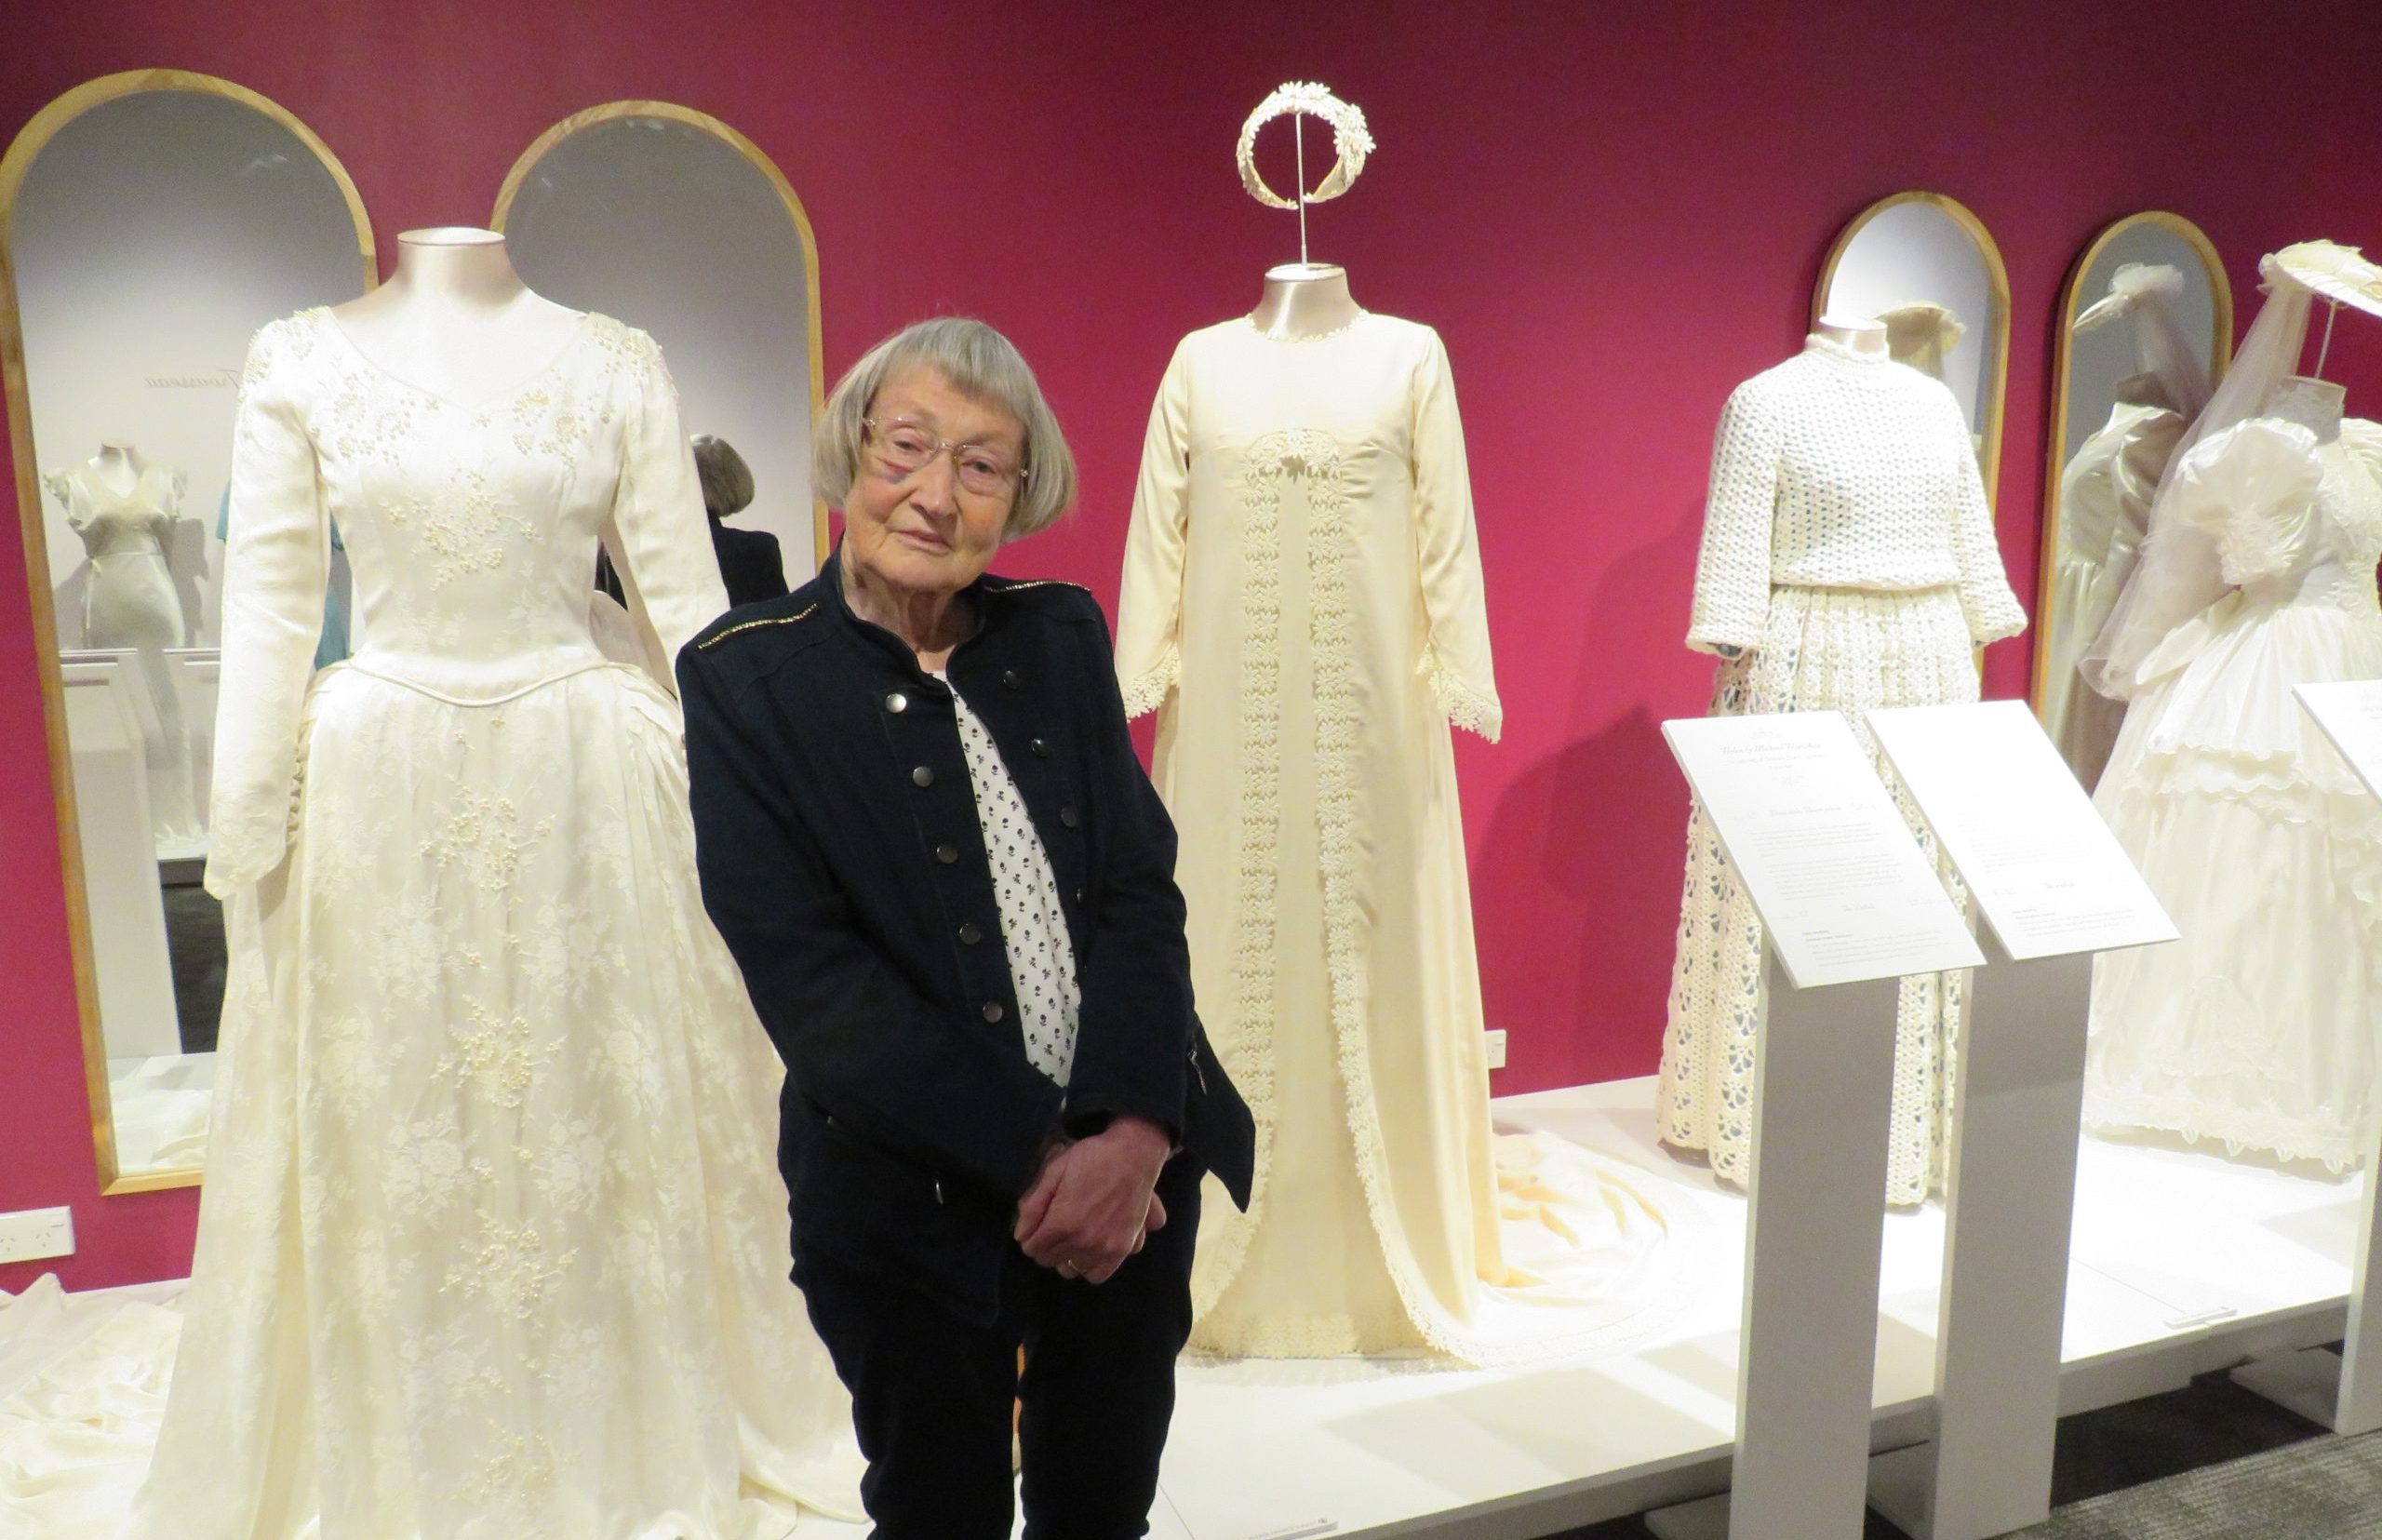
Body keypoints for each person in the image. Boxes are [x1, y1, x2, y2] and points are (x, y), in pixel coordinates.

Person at [679, 315, 1253, 1539]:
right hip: (907, 1202)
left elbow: (1138, 891)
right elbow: (810, 978)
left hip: (1134, 1184)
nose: (935, 495)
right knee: (937, 1509)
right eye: (908, 449)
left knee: (1101, 1505)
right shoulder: (745, 675)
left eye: (981, 466)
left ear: (1018, 494)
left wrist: (1137, 1133)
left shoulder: (1060, 632)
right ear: (849, 456)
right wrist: (1054, 1165)